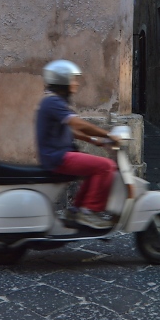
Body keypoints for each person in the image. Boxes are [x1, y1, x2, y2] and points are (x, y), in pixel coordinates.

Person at [36, 60, 118, 229]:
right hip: (57, 157)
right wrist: (108, 134)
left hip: (57, 155)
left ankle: (75, 210)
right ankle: (89, 212)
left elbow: (70, 130)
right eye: (73, 79)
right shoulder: (53, 102)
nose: (76, 83)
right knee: (106, 166)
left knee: (91, 168)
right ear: (63, 80)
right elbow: (77, 124)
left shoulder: (53, 101)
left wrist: (95, 141)